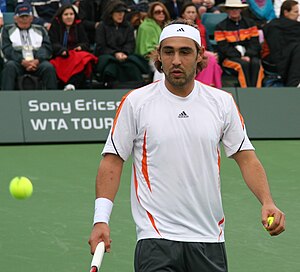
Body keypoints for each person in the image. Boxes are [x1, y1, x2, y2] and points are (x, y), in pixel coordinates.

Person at [88, 18, 285, 272]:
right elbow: (112, 161)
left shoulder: (221, 103)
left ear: (200, 55)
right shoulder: (136, 102)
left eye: (185, 51)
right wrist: (100, 220)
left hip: (209, 239)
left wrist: (267, 201)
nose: (176, 60)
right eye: (168, 52)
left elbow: (246, 157)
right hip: (155, 238)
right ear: (158, 55)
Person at [1, 2, 57, 90]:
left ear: (31, 18)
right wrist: (22, 61)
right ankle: (6, 99)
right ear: (15, 18)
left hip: (37, 62)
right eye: (21, 17)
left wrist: (37, 60)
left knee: (48, 67)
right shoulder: (7, 30)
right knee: (9, 67)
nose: (24, 19)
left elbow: (46, 47)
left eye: (27, 16)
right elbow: (7, 49)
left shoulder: (40, 29)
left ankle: (52, 99)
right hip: (17, 63)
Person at [94, 0, 149, 88]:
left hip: (125, 56)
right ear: (111, 13)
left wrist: (124, 53)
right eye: (118, 12)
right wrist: (115, 53)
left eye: (123, 12)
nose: (121, 15)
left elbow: (130, 43)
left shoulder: (128, 26)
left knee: (132, 66)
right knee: (110, 67)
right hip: (108, 56)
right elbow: (101, 46)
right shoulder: (102, 26)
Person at [215, 0, 264, 88]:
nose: (234, 11)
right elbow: (223, 47)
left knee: (256, 63)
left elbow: (255, 44)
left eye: (236, 8)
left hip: (250, 57)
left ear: (241, 10)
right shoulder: (220, 27)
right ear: (227, 10)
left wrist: (248, 55)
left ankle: (257, 91)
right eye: (231, 8)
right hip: (229, 59)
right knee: (242, 65)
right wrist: (239, 56)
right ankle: (246, 92)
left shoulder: (250, 23)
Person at [48, 4, 98, 90]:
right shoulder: (55, 26)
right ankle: (69, 84)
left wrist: (80, 47)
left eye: (71, 14)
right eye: (66, 14)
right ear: (61, 16)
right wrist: (61, 50)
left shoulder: (79, 25)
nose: (69, 17)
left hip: (76, 55)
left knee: (84, 59)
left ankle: (72, 84)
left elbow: (85, 43)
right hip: (61, 56)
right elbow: (52, 43)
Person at [180, 2, 223, 88]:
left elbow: (209, 45)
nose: (191, 15)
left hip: (203, 53)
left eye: (193, 12)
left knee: (213, 58)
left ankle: (211, 85)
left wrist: (213, 53)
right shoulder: (179, 28)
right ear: (183, 14)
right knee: (210, 59)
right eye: (188, 12)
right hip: (188, 54)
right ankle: (206, 85)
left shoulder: (202, 27)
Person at [262, 0, 300, 87]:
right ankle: (294, 83)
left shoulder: (298, 27)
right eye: (295, 12)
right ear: (286, 12)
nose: (298, 14)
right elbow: (276, 46)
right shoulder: (274, 26)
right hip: (276, 58)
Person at [135, 1, 171, 80]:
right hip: (149, 58)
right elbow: (147, 50)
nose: (161, 14)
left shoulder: (165, 26)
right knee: (162, 68)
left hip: (164, 54)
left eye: (163, 12)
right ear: (151, 13)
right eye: (157, 12)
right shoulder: (146, 27)